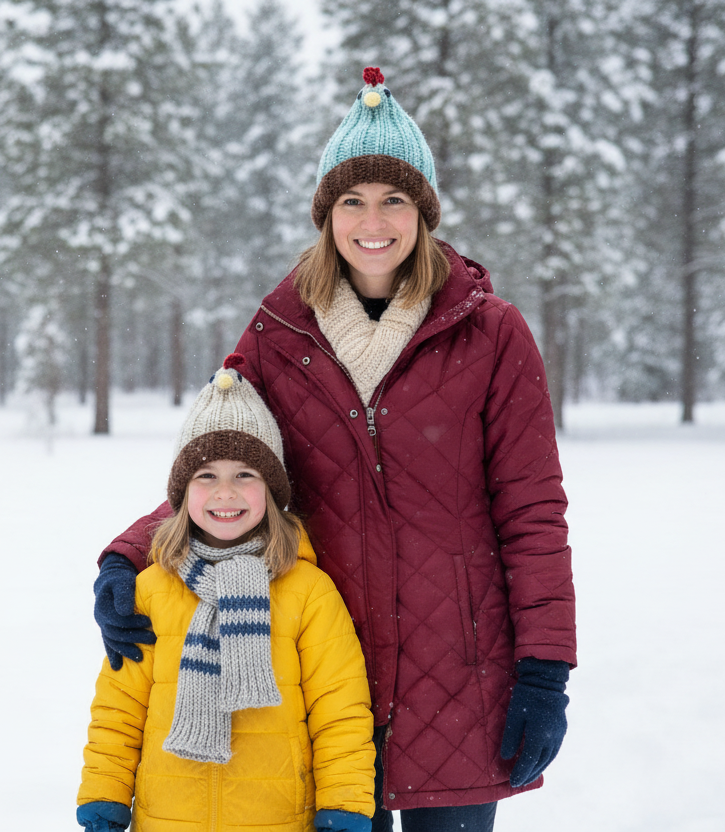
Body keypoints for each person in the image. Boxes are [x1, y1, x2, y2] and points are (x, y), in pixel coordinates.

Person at [92, 67, 577, 832]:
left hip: (458, 671)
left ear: (423, 211)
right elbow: (225, 464)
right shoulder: (281, 333)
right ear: (326, 215)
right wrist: (125, 557)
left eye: (394, 198)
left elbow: (533, 511)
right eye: (351, 200)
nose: (372, 219)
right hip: (321, 670)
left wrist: (546, 670)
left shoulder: (492, 333)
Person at [77, 355, 377, 832]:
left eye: (245, 475)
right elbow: (120, 709)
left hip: (278, 818)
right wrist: (104, 792)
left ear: (271, 490)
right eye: (206, 476)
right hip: (168, 818)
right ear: (182, 493)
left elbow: (339, 710)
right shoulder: (153, 589)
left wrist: (344, 802)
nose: (225, 493)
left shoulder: (307, 592)